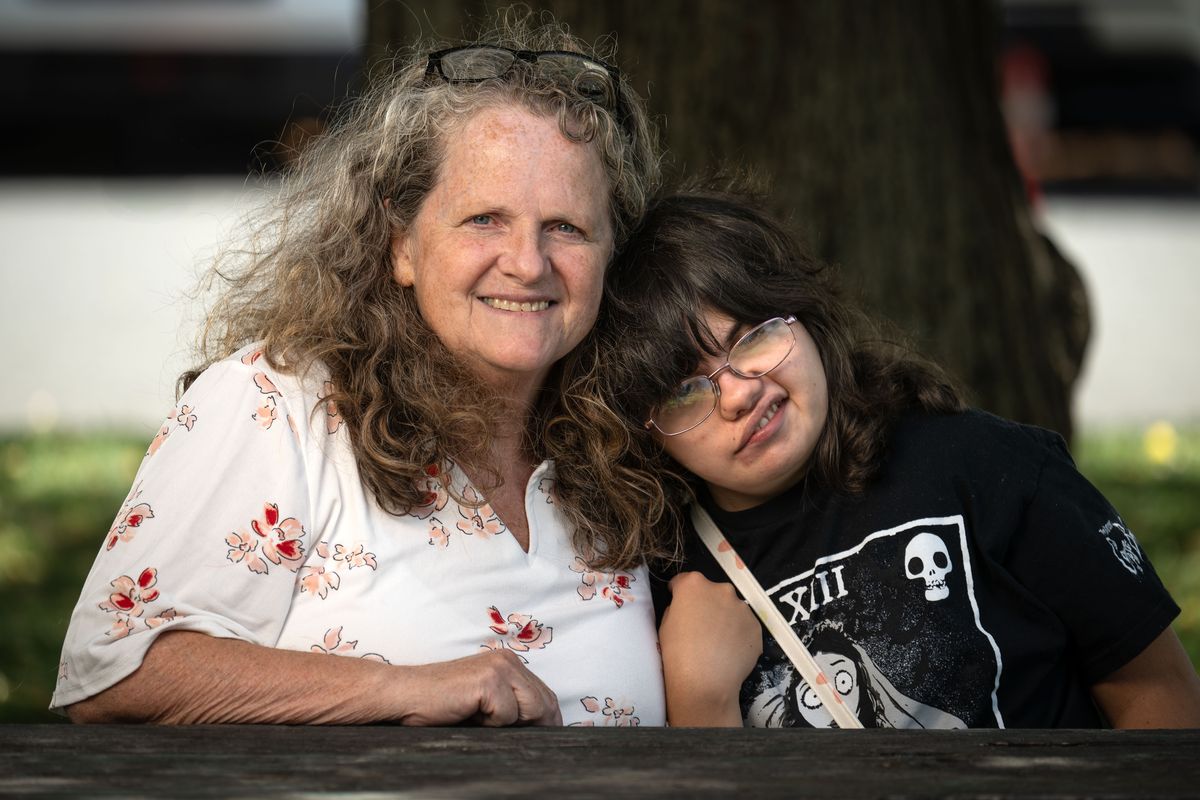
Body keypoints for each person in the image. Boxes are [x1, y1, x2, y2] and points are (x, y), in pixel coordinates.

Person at [51, 15, 672, 727]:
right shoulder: (278, 405)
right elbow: (112, 675)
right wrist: (412, 689)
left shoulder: (627, 448)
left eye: (565, 226)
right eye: (484, 220)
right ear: (400, 243)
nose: (528, 262)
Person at [585, 187, 1200, 728]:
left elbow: (1156, 690)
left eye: (755, 335)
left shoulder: (987, 468)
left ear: (804, 315)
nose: (741, 392)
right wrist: (699, 700)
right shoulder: (658, 587)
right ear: (646, 435)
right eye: (685, 390)